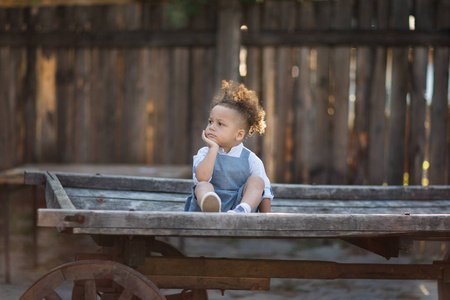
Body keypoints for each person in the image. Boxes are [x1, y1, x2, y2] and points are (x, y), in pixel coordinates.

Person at [184, 80, 273, 213]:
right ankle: (211, 207)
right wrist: (213, 149)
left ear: (239, 135)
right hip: (206, 208)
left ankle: (242, 210)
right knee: (202, 185)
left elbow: (265, 191)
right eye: (210, 122)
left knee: (257, 182)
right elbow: (201, 177)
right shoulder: (204, 153)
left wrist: (268, 220)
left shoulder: (250, 159)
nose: (211, 127)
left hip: (238, 206)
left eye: (220, 124)